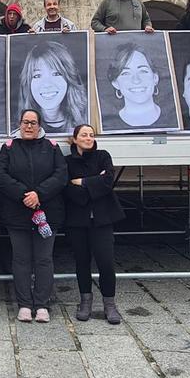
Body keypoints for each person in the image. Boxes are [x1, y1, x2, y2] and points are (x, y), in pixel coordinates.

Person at [0, 109, 67, 323]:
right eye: (25, 122)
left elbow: (61, 175)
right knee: (21, 260)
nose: (28, 126)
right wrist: (23, 195)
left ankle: (42, 304)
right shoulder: (8, 148)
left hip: (47, 214)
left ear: (39, 125)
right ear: (19, 124)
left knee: (44, 259)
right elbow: (0, 175)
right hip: (17, 215)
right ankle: (25, 304)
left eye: (33, 123)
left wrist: (39, 194)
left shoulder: (52, 148)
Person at [64, 124, 125, 324]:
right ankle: (85, 301)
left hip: (103, 219)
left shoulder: (103, 156)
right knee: (82, 262)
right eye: (84, 135)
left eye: (91, 135)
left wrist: (81, 182)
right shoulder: (66, 162)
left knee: (106, 262)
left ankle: (110, 304)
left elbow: (108, 181)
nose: (88, 138)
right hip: (78, 220)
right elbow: (66, 188)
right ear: (75, 139)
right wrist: (93, 184)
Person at [16, 40, 87, 136]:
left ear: (69, 78)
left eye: (56, 74)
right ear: (28, 83)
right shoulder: (17, 131)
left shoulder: (84, 123)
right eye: (37, 75)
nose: (47, 84)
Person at [101, 42, 167, 130]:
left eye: (143, 71)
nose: (136, 80)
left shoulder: (174, 118)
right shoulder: (108, 124)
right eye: (126, 73)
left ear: (155, 78)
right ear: (115, 83)